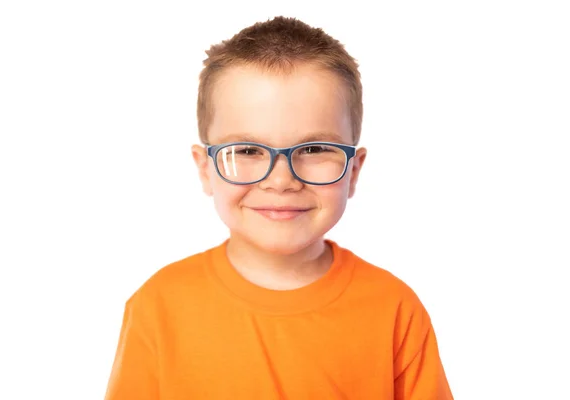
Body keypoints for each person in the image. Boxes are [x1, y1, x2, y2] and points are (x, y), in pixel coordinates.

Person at [104, 16, 453, 400]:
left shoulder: (394, 309)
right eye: (248, 150)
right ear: (205, 169)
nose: (282, 180)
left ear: (353, 171)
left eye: (315, 148)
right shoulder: (158, 306)